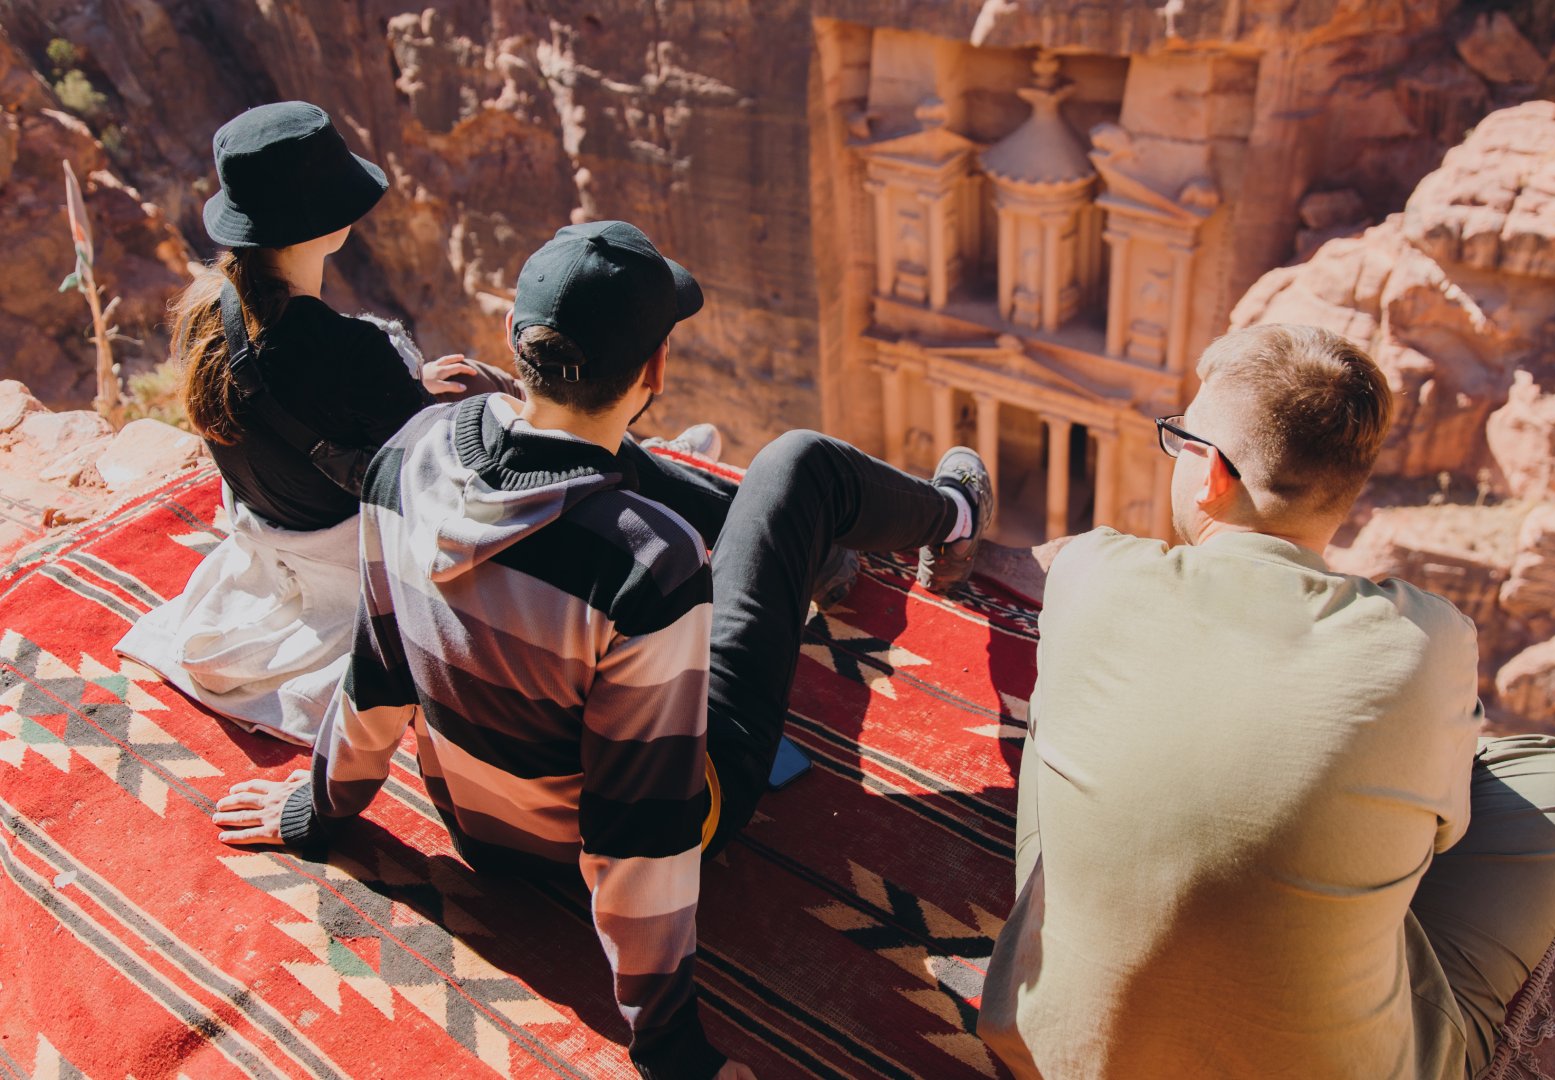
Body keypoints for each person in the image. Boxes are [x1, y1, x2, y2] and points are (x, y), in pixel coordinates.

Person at [207, 220, 995, 1079]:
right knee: (799, 466)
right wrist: (669, 1050)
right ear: (654, 371)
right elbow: (640, 830)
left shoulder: (406, 457)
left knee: (617, 462)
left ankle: (803, 548)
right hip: (664, 821)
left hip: (478, 830)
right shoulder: (649, 563)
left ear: (518, 339)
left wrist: (320, 809)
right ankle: (952, 513)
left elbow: (379, 664)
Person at [977, 324, 1555, 1079]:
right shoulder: (1429, 641)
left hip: (1050, 1049)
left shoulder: (1091, 571)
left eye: (1179, 440)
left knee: (1063, 711)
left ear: (1209, 472)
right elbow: (1445, 837)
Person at [116, 100, 517, 744]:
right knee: (480, 392)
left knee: (449, 385)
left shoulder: (203, 312)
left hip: (277, 516)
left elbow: (298, 401)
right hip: (341, 540)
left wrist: (408, 385)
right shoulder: (352, 352)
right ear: (322, 225)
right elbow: (429, 479)